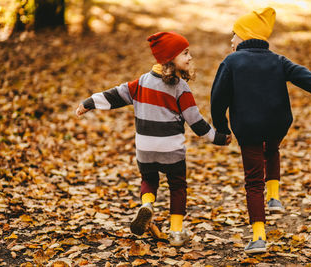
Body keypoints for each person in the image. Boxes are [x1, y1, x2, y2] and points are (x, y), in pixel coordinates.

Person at [76, 31, 231, 246]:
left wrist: (89, 102)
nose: (190, 57)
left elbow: (114, 96)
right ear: (170, 59)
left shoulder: (141, 83)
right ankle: (176, 232)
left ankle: (147, 205)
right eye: (185, 53)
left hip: (145, 148)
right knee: (177, 186)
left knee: (149, 179)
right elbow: (196, 122)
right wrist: (219, 138)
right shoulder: (181, 88)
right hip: (171, 150)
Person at [210, 7, 311, 254]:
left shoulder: (231, 61)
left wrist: (221, 128)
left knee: (254, 181)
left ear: (244, 36)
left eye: (234, 35)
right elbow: (300, 73)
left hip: (248, 127)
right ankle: (274, 197)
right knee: (273, 149)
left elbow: (217, 98)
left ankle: (258, 237)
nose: (231, 40)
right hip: (277, 123)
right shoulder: (277, 59)